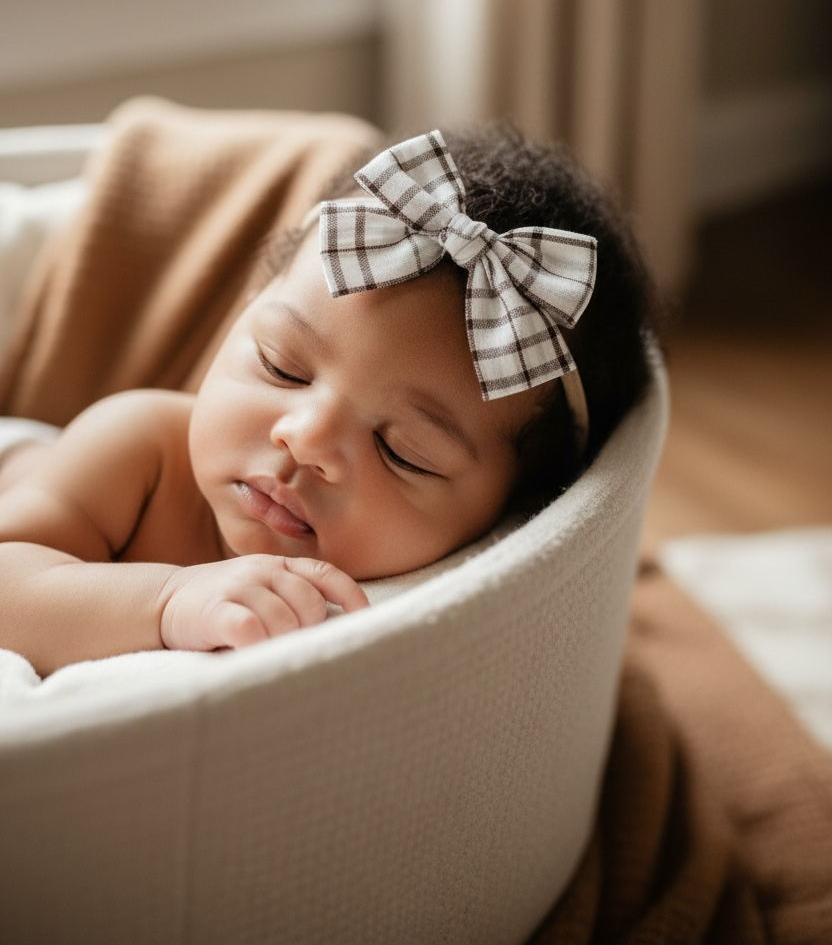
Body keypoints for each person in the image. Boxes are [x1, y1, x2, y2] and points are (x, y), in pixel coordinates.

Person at [0, 126, 656, 676]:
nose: (306, 437)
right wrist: (169, 600)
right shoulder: (138, 448)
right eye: (282, 366)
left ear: (508, 514)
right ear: (244, 312)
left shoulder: (448, 595)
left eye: (403, 452)